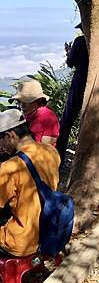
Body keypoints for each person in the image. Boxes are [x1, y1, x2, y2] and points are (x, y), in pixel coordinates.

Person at [0, 109, 60, 256]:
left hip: (20, 242)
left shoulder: (11, 166)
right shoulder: (51, 152)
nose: (0, 148)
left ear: (10, 136)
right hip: (47, 231)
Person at [57, 22, 88, 163]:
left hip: (79, 82)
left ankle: (59, 159)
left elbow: (70, 62)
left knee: (66, 123)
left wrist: (69, 52)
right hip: (95, 82)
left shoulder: (80, 41)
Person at [10, 79, 59, 146]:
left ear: (38, 101)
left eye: (27, 102)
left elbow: (44, 149)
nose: (22, 105)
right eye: (19, 101)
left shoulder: (49, 118)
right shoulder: (27, 114)